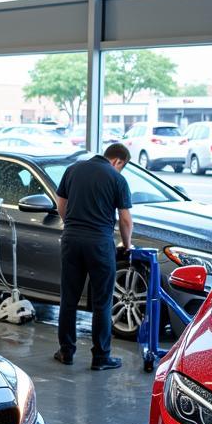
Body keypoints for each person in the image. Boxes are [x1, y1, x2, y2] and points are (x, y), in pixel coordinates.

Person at [54, 142, 133, 371]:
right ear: (118, 161)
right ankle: (100, 357)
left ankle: (66, 352)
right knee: (102, 301)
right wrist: (127, 245)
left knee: (68, 298)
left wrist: (71, 224)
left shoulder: (74, 169)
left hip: (71, 240)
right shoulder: (117, 179)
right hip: (99, 243)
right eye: (122, 166)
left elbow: (61, 204)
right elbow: (125, 220)